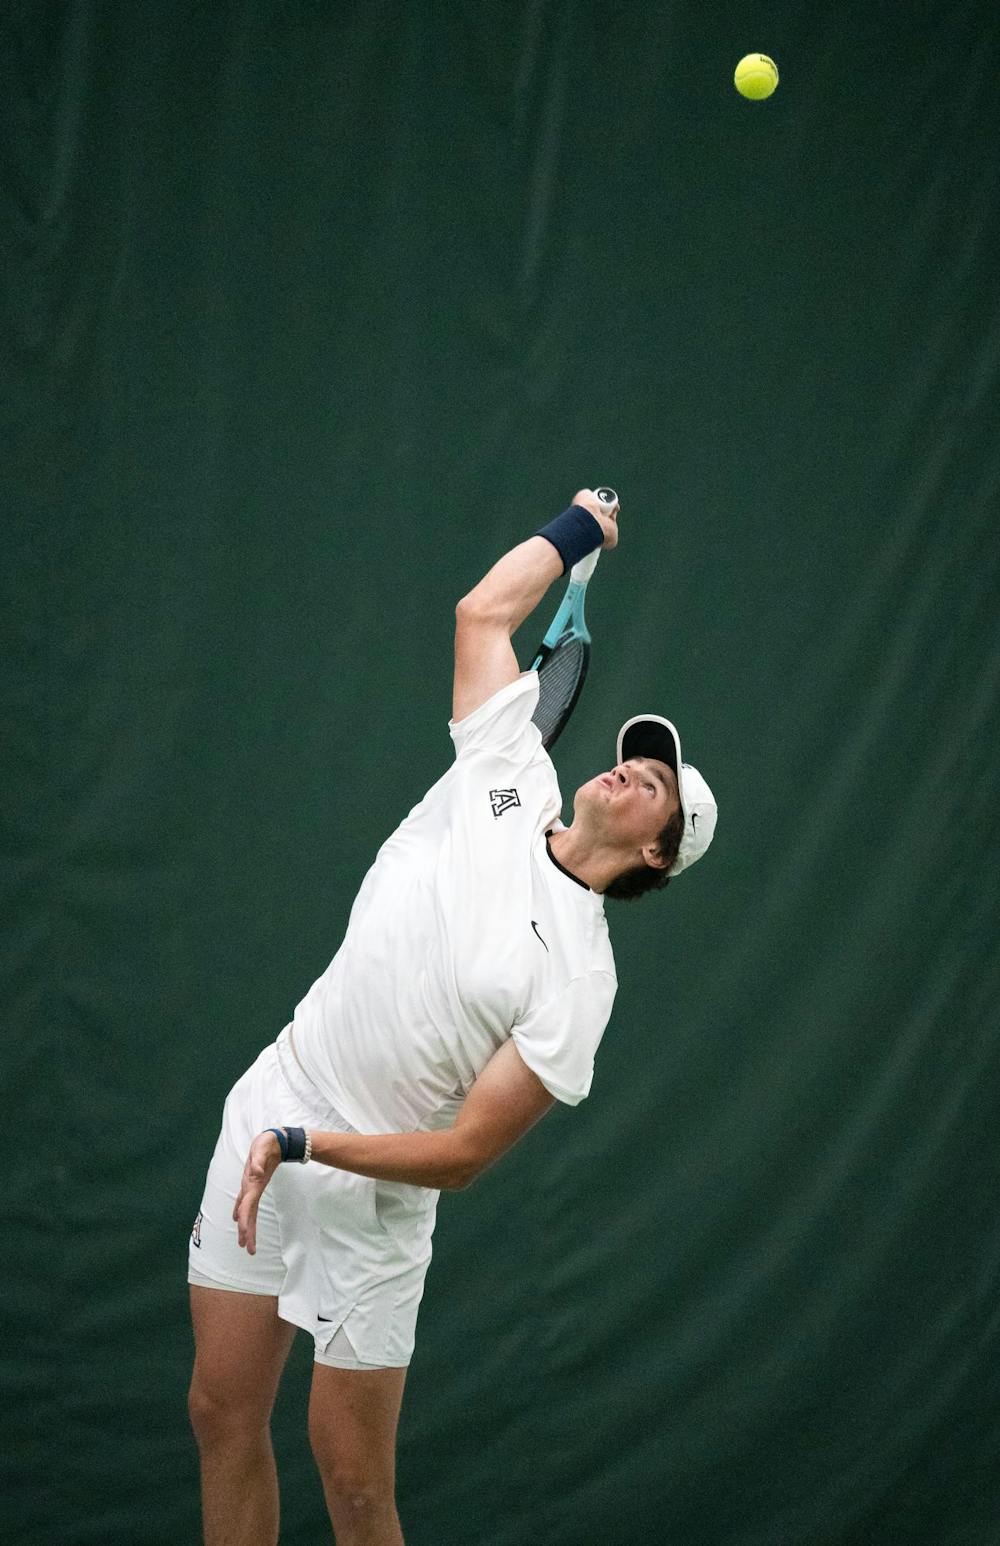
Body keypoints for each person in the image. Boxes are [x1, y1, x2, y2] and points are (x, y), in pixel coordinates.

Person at [186, 488, 718, 1546]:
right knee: (218, 1410)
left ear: (657, 852)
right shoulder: (507, 772)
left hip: (371, 1193)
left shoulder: (580, 981)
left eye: (655, 782)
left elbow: (466, 1152)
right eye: (634, 755)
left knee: (354, 1488)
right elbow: (482, 616)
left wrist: (301, 1148)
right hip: (278, 1089)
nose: (629, 769)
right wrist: (578, 528)